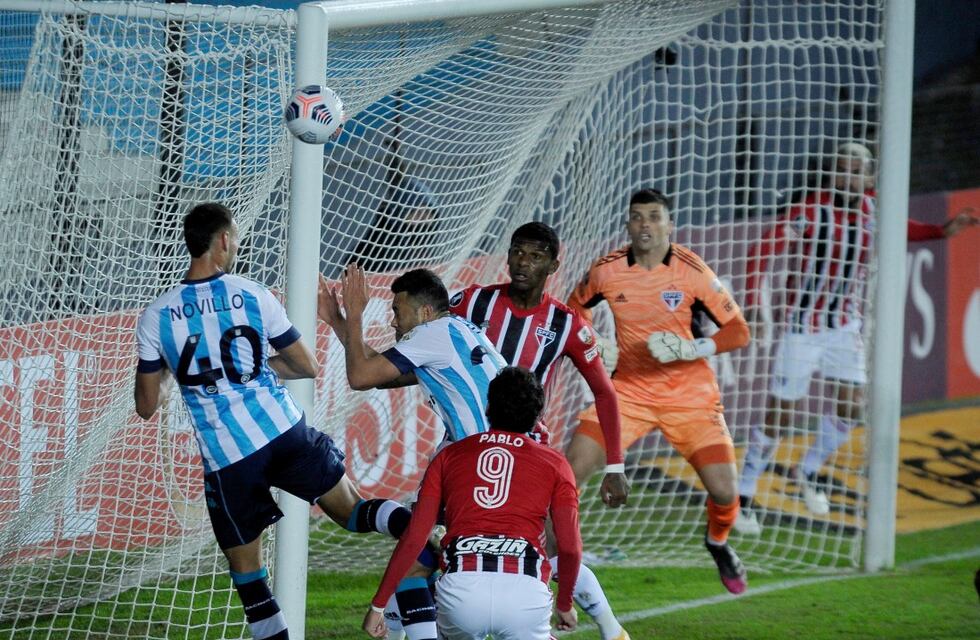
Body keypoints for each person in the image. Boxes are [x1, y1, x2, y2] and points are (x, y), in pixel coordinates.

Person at [134, 203, 412, 640]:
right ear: (223, 240)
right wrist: (254, 366)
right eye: (236, 237)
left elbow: (147, 406)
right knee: (354, 511)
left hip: (228, 457)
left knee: (250, 579)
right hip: (283, 431)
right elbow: (306, 365)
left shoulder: (156, 316)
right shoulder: (253, 293)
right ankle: (419, 530)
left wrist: (174, 368)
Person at [735, 142, 980, 535]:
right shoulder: (811, 212)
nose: (847, 177)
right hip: (802, 329)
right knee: (781, 415)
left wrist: (942, 231)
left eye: (855, 171)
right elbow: (762, 249)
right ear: (832, 175)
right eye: (841, 169)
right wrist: (751, 304)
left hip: (844, 328)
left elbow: (905, 228)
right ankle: (743, 495)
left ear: (868, 178)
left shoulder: (874, 209)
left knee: (852, 407)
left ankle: (809, 469)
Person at [450, 222, 631, 640]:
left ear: (553, 264)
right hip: (464, 447)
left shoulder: (565, 324)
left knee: (539, 548)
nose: (522, 263)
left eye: (535, 256)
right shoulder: (474, 302)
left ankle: (604, 627)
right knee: (441, 543)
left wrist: (615, 464)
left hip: (529, 453)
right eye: (517, 252)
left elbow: (605, 393)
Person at [567, 188, 752, 595]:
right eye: (637, 216)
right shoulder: (607, 269)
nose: (645, 224)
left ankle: (717, 542)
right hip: (627, 394)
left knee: (725, 492)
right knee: (568, 474)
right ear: (628, 224)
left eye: (654, 216)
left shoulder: (692, 271)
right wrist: (593, 338)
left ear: (670, 224)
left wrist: (692, 348)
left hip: (689, 396)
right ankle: (549, 567)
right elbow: (573, 307)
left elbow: (739, 331)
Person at [319, 265, 508, 640]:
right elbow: (380, 372)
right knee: (422, 560)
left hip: (475, 467)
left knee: (421, 564)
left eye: (397, 311)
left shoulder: (431, 335)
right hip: (499, 460)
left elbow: (360, 377)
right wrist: (338, 321)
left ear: (422, 312)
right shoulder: (456, 331)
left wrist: (355, 314)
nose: (393, 320)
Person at [362, 367, 582, 640]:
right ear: (538, 418)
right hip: (524, 594)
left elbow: (415, 536)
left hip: (461, 592)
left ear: (488, 406)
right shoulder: (556, 464)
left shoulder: (450, 456)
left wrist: (378, 605)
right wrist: (565, 604)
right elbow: (570, 548)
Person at [354, 174, 439, 273]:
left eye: (427, 214)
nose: (423, 220)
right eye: (416, 213)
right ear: (400, 215)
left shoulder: (422, 246)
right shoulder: (382, 245)